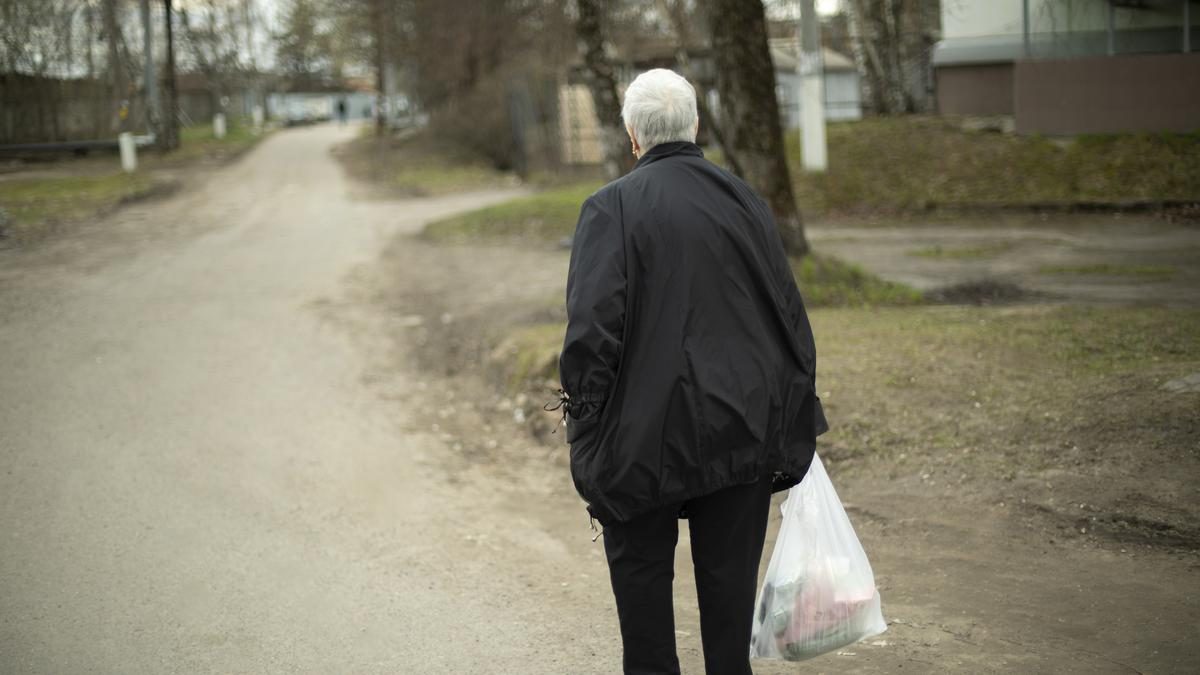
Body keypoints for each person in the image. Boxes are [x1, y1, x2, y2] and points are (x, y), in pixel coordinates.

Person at [557, 68, 828, 675]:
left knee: (646, 617)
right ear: (695, 125)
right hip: (740, 431)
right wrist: (789, 416)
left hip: (641, 440)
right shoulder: (746, 201)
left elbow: (589, 335)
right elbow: (789, 318)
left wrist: (587, 437)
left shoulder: (611, 208)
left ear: (632, 136)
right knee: (729, 621)